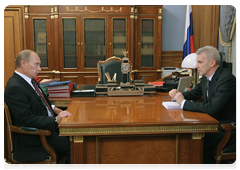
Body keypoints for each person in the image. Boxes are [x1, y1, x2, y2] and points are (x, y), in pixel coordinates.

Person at [169, 46, 238, 169]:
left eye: (200, 62)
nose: (196, 66)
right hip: (212, 123)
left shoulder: (226, 79)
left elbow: (212, 108)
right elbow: (194, 93)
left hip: (226, 128)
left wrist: (183, 103)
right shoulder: (206, 78)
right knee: (187, 137)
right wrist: (177, 95)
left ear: (212, 63)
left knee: (191, 141)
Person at [5, 50, 72, 168]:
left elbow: (38, 101)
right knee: (75, 146)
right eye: (36, 64)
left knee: (76, 136)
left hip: (47, 127)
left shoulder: (29, 81)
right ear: (23, 63)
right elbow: (26, 119)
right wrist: (55, 120)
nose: (39, 68)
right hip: (36, 138)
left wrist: (55, 109)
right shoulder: (15, 87)